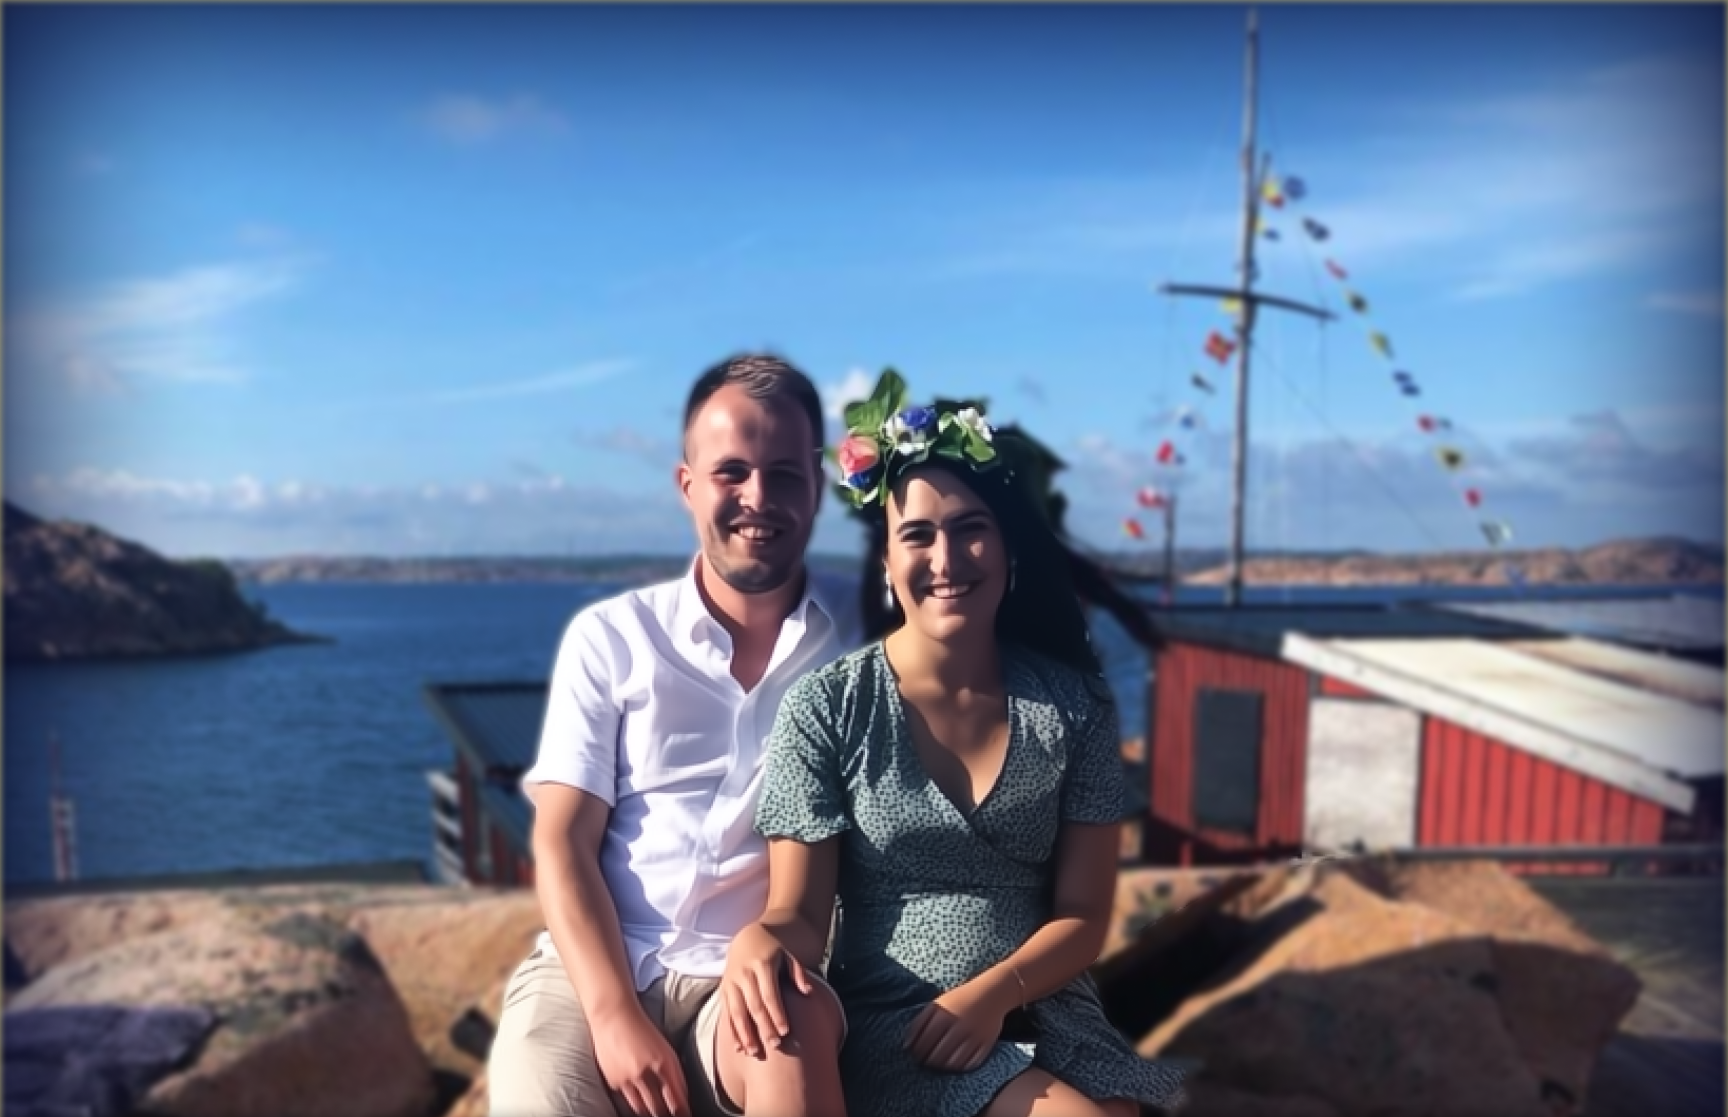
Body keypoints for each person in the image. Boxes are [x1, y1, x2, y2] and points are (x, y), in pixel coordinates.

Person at [720, 372, 1190, 1117]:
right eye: (917, 534)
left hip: (1044, 1011)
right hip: (904, 1028)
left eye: (970, 528)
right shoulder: (828, 707)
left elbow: (1083, 916)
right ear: (886, 561)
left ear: (1007, 550)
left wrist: (994, 995)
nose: (946, 559)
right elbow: (799, 913)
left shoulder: (1075, 706)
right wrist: (761, 939)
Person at [488, 353, 853, 1117]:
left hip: (750, 971)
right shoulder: (613, 637)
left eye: (785, 474)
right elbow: (562, 837)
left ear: (818, 487)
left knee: (792, 1020)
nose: (758, 497)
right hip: (595, 965)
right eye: (731, 472)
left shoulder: (865, 635)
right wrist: (613, 1015)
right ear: (688, 485)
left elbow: (979, 597)